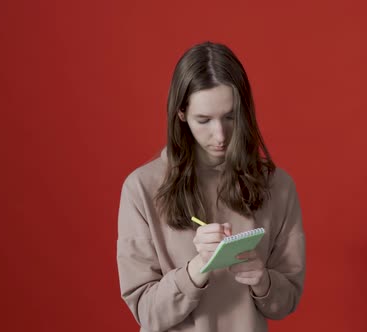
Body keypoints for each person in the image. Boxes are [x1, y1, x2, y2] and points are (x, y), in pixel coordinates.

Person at [116, 41, 305, 332]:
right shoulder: (141, 188)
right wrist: (196, 269)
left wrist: (263, 280)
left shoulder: (278, 186)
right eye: (203, 120)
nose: (220, 135)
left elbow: (288, 299)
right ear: (181, 114)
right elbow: (146, 312)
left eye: (230, 117)